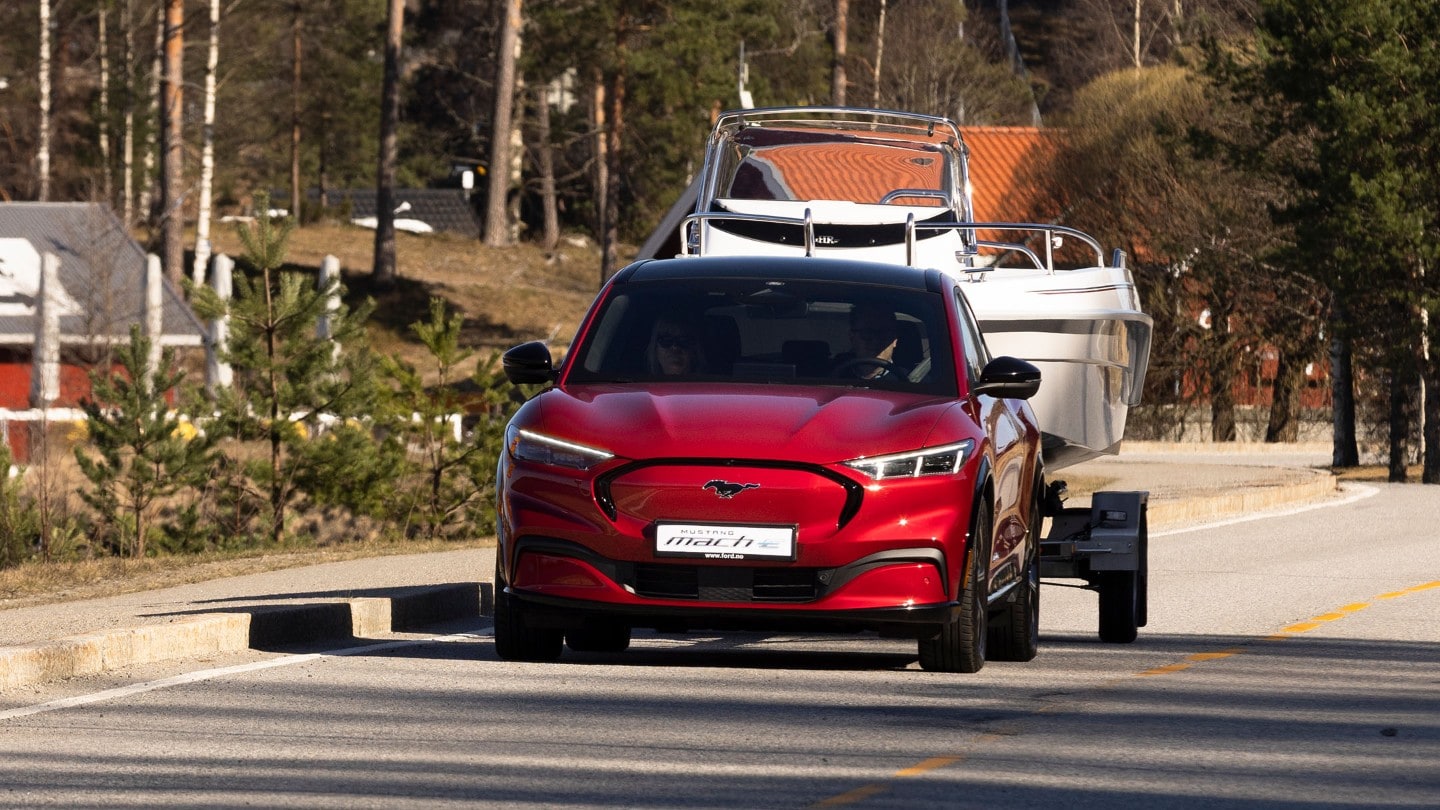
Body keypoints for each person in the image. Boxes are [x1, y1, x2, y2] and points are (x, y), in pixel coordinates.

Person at [834, 302, 903, 379]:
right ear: (852, 337)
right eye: (867, 333)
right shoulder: (827, 377)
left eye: (883, 334)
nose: (875, 341)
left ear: (894, 340)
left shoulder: (910, 383)